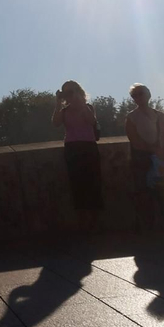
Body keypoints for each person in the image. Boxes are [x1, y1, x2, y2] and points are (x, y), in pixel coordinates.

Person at [52, 81, 103, 227]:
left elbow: (92, 121)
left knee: (93, 182)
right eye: (67, 92)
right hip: (72, 148)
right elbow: (55, 123)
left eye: (72, 91)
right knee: (77, 184)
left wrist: (80, 103)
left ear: (78, 91)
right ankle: (83, 221)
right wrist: (58, 103)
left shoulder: (88, 107)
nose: (70, 95)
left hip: (88, 146)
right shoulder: (64, 111)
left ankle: (95, 221)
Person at [122, 84, 164, 232]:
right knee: (144, 193)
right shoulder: (131, 117)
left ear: (148, 94)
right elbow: (134, 140)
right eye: (134, 95)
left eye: (140, 94)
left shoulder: (161, 116)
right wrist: (154, 150)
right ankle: (149, 226)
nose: (138, 97)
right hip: (141, 158)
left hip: (161, 158)